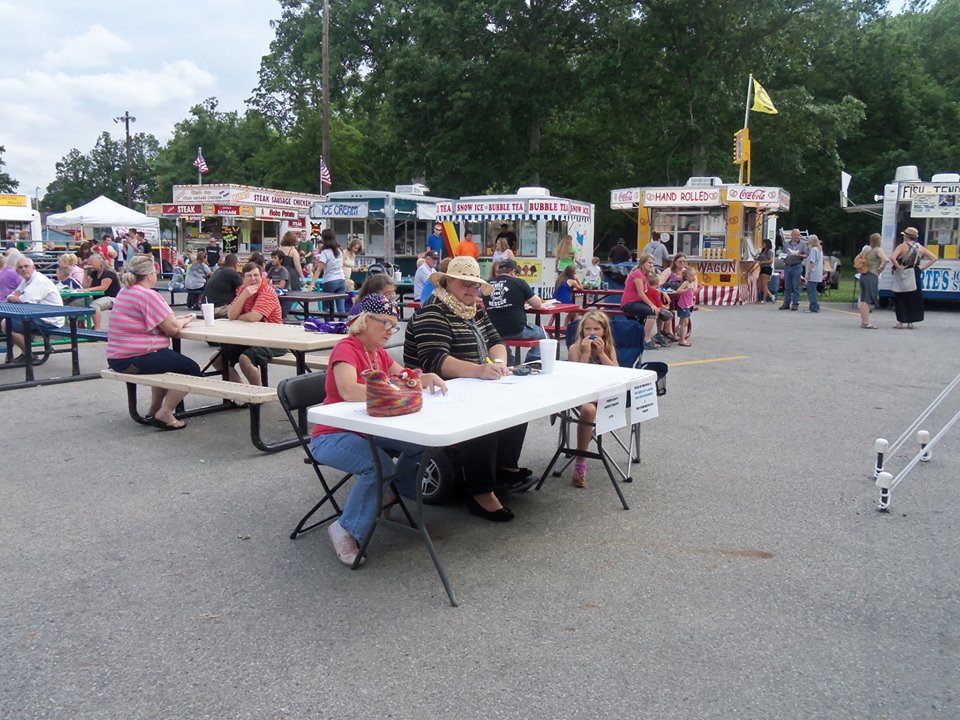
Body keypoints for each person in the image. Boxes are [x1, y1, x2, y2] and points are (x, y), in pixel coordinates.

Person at [310, 294, 447, 565]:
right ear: (364, 320)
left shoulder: (377, 353)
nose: (390, 330)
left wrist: (422, 378)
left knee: (424, 444)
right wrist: (394, 389)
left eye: (394, 325)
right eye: (385, 323)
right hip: (332, 434)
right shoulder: (347, 348)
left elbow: (404, 376)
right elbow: (348, 390)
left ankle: (390, 489)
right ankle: (345, 528)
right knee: (379, 466)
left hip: (369, 431)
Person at [403, 256, 529, 520]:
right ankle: (480, 493)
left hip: (470, 385)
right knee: (480, 420)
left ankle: (504, 468)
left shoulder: (474, 309)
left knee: (519, 405)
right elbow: (436, 361)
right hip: (436, 392)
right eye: (465, 284)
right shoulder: (432, 312)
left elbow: (496, 341)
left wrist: (499, 364)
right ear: (448, 282)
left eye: (475, 285)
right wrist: (480, 370)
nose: (471, 290)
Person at [105, 255, 202, 430]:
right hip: (135, 358)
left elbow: (160, 320)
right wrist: (186, 320)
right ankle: (165, 412)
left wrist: (177, 320)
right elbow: (172, 328)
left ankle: (155, 409)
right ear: (150, 275)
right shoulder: (148, 295)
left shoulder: (125, 291)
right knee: (191, 369)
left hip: (117, 358)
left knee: (166, 361)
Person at [567, 311, 618, 488]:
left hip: (606, 392)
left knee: (596, 408)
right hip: (582, 392)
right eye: (588, 329)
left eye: (596, 329)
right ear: (582, 331)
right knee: (588, 410)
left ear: (604, 331)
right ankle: (581, 460)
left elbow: (618, 373)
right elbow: (576, 376)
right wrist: (586, 353)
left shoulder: (609, 348)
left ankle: (582, 446)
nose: (592, 333)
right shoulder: (575, 349)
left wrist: (602, 354)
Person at [212, 262, 286, 385]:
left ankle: (257, 392)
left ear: (261, 277)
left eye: (256, 275)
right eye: (249, 275)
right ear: (243, 278)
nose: (253, 279)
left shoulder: (267, 291)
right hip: (249, 338)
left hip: (274, 339)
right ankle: (241, 390)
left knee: (245, 359)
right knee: (217, 359)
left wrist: (238, 317)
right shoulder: (243, 290)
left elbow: (253, 317)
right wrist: (243, 296)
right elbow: (231, 315)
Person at [485, 258, 546, 361]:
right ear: (513, 272)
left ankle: (508, 361)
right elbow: (537, 304)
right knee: (542, 334)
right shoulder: (519, 282)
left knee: (501, 342)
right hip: (516, 329)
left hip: (493, 331)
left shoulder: (487, 284)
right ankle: (532, 361)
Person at [5, 255, 65, 357]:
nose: (23, 269)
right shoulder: (26, 281)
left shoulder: (38, 280)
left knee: (7, 324)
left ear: (33, 268)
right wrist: (12, 297)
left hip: (51, 319)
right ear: (17, 271)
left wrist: (14, 297)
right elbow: (14, 294)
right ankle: (26, 354)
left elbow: (24, 300)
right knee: (7, 322)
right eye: (20, 267)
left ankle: (29, 356)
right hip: (40, 315)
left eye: (26, 266)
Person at [890, 226, 937, 329]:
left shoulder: (902, 246)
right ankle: (910, 322)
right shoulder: (920, 247)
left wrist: (899, 267)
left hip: (903, 271)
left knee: (901, 297)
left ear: (906, 236)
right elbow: (934, 258)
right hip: (915, 272)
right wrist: (922, 268)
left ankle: (900, 322)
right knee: (913, 297)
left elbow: (893, 258)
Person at [620, 254, 659, 350]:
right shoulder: (637, 274)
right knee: (652, 312)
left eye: (652, 263)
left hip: (636, 302)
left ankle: (642, 336)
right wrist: (652, 305)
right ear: (642, 263)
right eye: (649, 263)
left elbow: (650, 290)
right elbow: (641, 293)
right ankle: (647, 340)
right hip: (629, 303)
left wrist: (663, 294)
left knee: (655, 311)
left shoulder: (644, 275)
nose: (651, 265)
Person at [309, 228, 348, 315]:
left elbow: (319, 270)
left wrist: (312, 284)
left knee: (326, 308)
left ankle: (328, 323)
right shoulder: (339, 251)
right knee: (341, 309)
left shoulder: (325, 252)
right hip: (341, 280)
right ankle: (343, 323)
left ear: (324, 239)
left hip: (330, 281)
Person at [82, 252, 121, 330]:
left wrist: (88, 290)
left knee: (94, 305)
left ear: (99, 262)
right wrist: (85, 273)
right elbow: (85, 286)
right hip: (97, 297)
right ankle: (79, 325)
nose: (90, 263)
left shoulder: (109, 273)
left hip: (112, 298)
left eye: (92, 261)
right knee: (75, 303)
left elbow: (103, 287)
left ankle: (97, 329)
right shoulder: (94, 273)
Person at [858, 233, 888, 329]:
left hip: (863, 275)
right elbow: (886, 259)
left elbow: (856, 259)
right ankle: (866, 322)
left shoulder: (866, 249)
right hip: (872, 275)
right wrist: (880, 268)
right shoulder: (877, 250)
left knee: (864, 298)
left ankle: (864, 321)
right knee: (868, 300)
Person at [203, 253, 244, 318]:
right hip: (219, 308)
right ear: (236, 264)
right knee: (247, 308)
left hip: (207, 308)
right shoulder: (232, 272)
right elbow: (243, 290)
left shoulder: (218, 270)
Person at [780, 229, 808, 311]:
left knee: (796, 286)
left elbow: (806, 255)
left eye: (798, 235)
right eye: (795, 235)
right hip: (788, 266)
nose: (797, 236)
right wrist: (783, 256)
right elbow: (783, 253)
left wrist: (799, 255)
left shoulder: (803, 244)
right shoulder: (786, 244)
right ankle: (786, 303)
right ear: (791, 235)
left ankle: (795, 303)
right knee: (787, 286)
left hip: (797, 266)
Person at [645, 273, 676, 345]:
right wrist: (665, 307)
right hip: (656, 308)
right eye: (660, 282)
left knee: (665, 314)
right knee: (670, 315)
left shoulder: (648, 290)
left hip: (649, 307)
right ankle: (666, 331)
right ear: (656, 283)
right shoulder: (656, 292)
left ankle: (663, 332)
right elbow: (658, 303)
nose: (661, 283)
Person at [675, 268, 698, 346]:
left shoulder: (691, 283)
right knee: (685, 322)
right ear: (686, 277)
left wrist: (700, 288)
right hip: (684, 305)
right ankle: (682, 340)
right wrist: (686, 289)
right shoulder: (686, 283)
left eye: (694, 275)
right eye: (691, 275)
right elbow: (678, 291)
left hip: (688, 305)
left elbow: (693, 294)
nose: (693, 277)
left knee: (683, 322)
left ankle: (678, 330)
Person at [805, 235, 824, 313]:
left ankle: (814, 307)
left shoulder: (813, 250)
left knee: (811, 291)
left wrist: (807, 273)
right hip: (818, 273)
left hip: (813, 273)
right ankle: (813, 306)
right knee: (813, 290)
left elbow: (812, 262)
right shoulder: (819, 249)